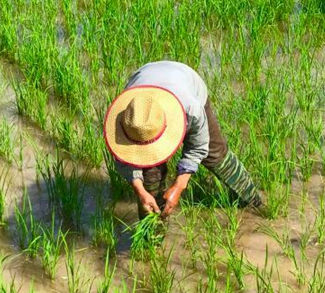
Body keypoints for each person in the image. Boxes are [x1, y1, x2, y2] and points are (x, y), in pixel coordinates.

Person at [103, 61, 263, 220]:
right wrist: (141, 191)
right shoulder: (129, 118)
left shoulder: (191, 108)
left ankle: (255, 204)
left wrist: (179, 185)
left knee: (215, 154)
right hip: (144, 79)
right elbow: (125, 158)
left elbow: (199, 146)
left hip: (185, 80)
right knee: (150, 176)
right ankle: (153, 237)